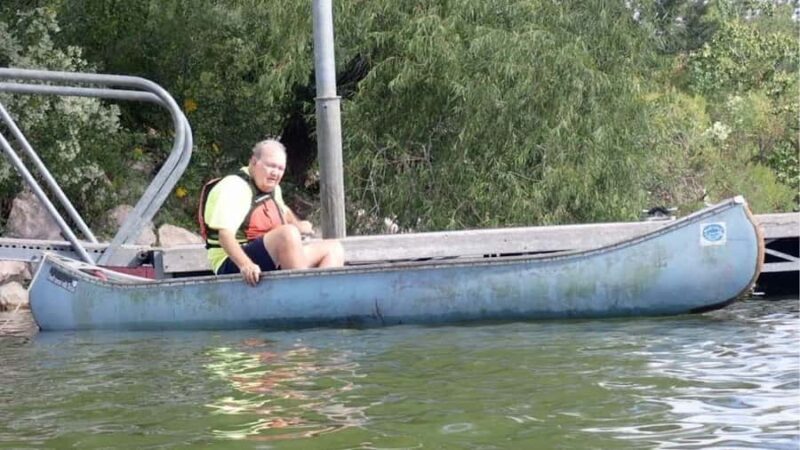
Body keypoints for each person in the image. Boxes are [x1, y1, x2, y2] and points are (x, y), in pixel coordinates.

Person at [201, 139, 344, 286]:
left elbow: (284, 210)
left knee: (334, 248)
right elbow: (225, 237)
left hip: (266, 255)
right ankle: (303, 294)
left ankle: (322, 299)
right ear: (254, 162)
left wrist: (298, 224)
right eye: (270, 166)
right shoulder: (235, 187)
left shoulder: (272, 188)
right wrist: (246, 265)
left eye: (280, 168)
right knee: (287, 234)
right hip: (233, 262)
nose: (275, 173)